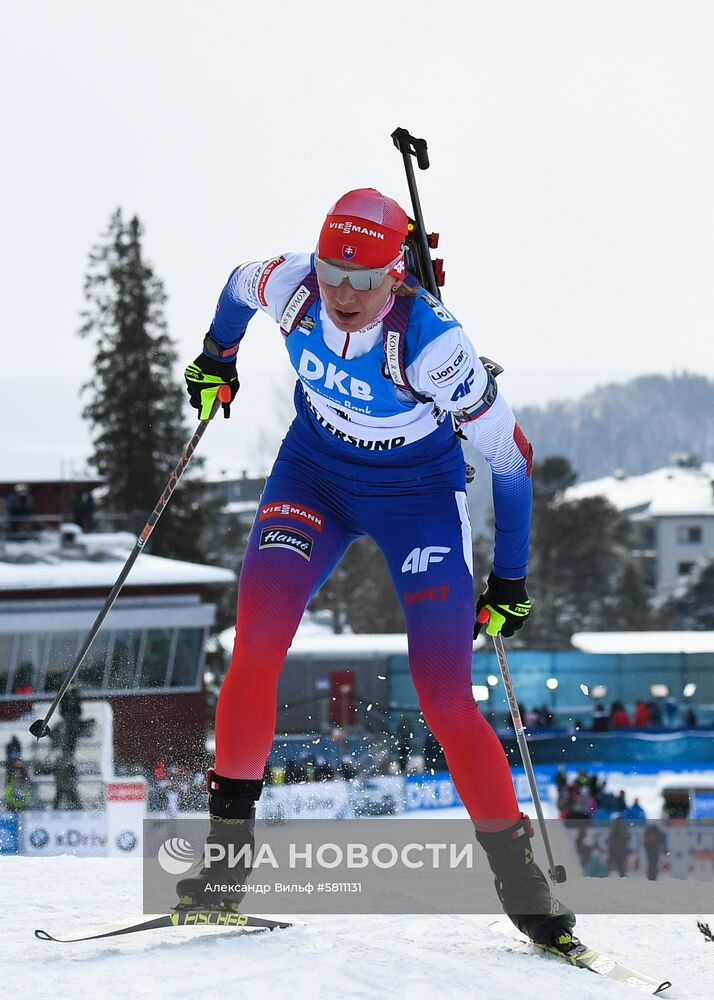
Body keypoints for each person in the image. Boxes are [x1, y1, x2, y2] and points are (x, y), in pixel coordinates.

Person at [177, 187, 575, 948]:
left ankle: (526, 890)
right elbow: (235, 284)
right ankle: (224, 868)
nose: (344, 294)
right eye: (333, 272)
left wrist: (511, 580)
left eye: (364, 279)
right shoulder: (290, 284)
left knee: (443, 695)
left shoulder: (434, 344)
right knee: (255, 644)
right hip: (314, 479)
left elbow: (511, 459)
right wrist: (216, 357)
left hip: (416, 498)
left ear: (396, 273)